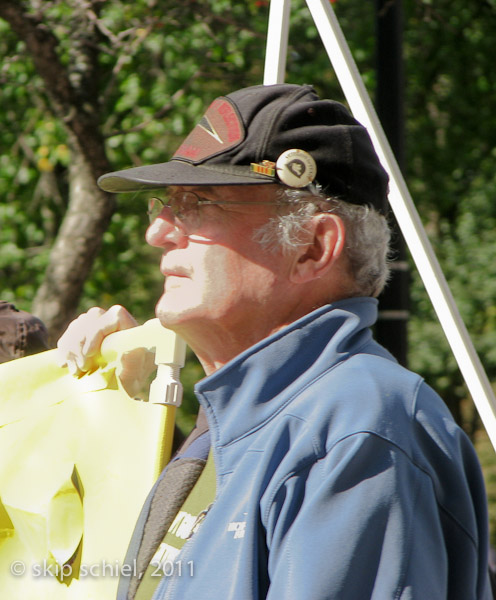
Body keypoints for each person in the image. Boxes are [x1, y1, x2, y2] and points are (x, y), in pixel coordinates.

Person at [57, 83, 491, 599]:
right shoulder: (243, 426)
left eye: (197, 203)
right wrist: (107, 414)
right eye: (165, 203)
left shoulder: (356, 428)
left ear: (312, 247)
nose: (159, 233)